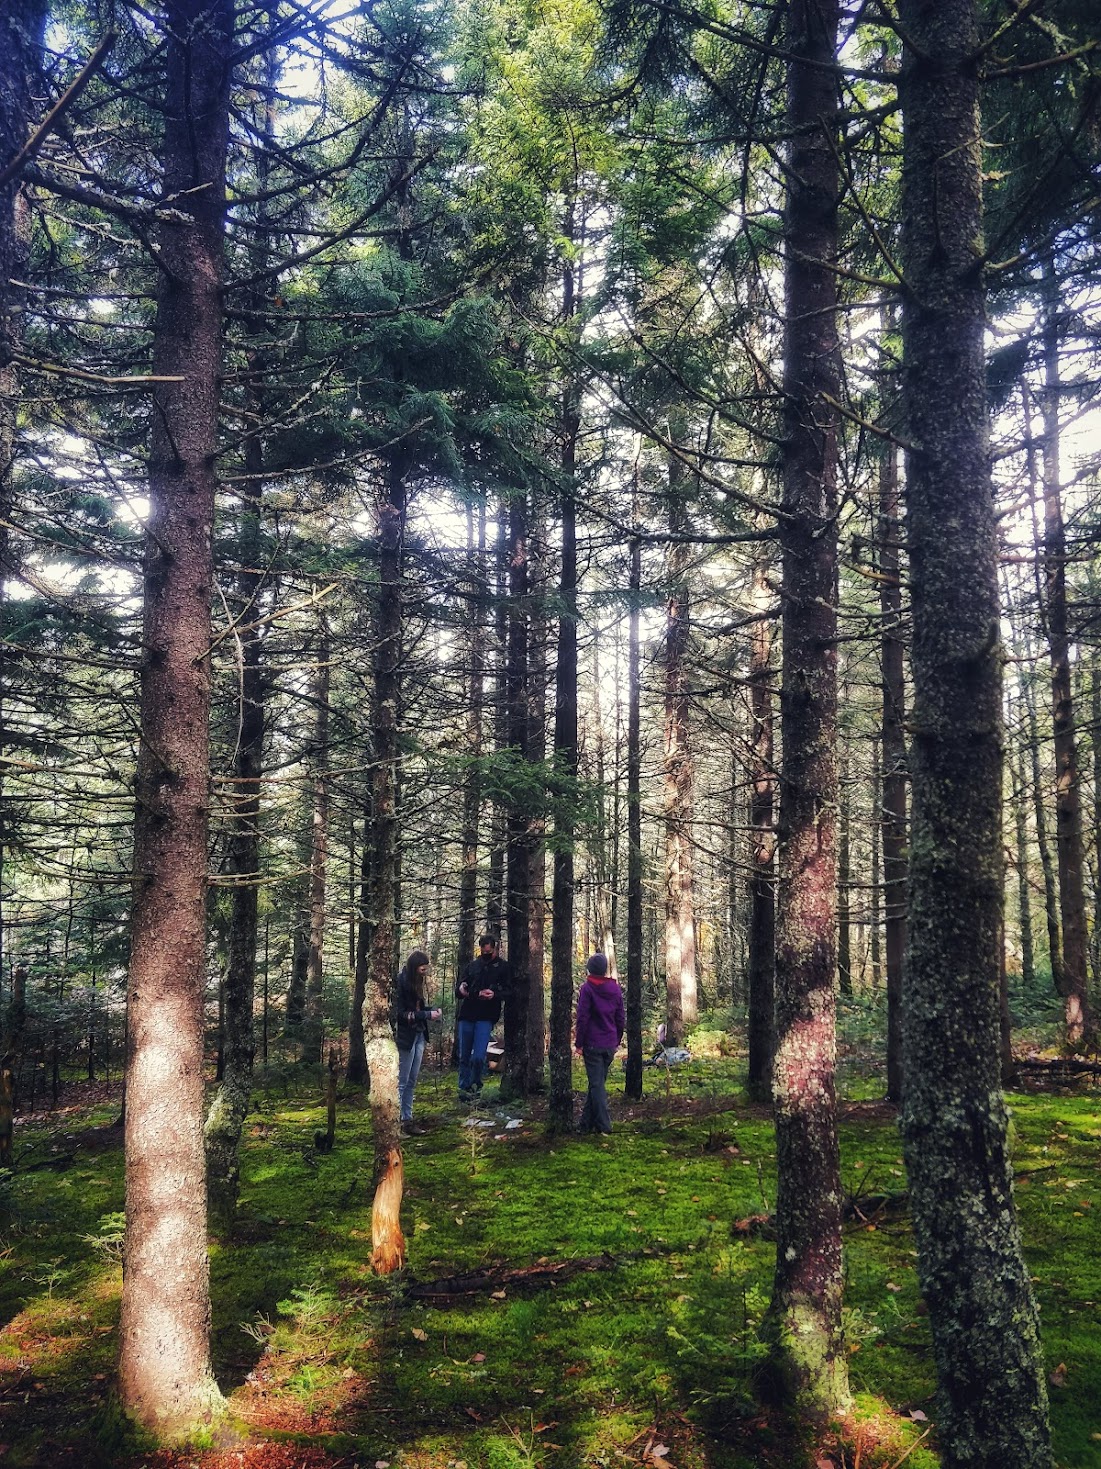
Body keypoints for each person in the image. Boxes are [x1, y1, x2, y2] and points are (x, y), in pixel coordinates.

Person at [574, 953, 624, 1135]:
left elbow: (583, 1018)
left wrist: (579, 1043)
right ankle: (585, 1125)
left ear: (589, 969)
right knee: (597, 1084)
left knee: (597, 1086)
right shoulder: (615, 988)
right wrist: (616, 1040)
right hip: (609, 1044)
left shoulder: (587, 989)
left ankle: (604, 1125)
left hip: (593, 1044)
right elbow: (620, 1017)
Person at [393, 950, 441, 1135]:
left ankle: (407, 1119)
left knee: (412, 1080)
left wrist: (430, 1011)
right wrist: (427, 1015)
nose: (425, 972)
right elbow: (402, 1014)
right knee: (402, 1081)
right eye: (422, 969)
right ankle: (395, 1124)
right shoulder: (401, 982)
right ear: (415, 967)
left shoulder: (416, 982)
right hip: (406, 1036)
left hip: (419, 1034)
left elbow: (417, 1009)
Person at [456, 933, 508, 1100]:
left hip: (486, 1016)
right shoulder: (472, 966)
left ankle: (475, 1086)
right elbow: (460, 990)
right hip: (467, 1014)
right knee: (464, 1055)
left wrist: (495, 994)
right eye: (483, 952)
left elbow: (509, 991)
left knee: (478, 1056)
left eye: (489, 952)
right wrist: (463, 989)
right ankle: (463, 1089)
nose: (486, 955)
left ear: (494, 949)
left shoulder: (502, 967)